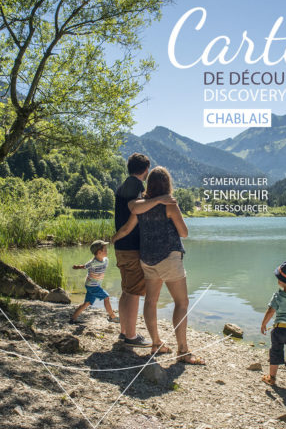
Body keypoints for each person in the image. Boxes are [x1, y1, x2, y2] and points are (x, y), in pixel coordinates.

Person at [112, 166, 204, 364]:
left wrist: (114, 238)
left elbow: (128, 226)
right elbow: (184, 232)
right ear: (167, 184)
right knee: (181, 303)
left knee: (151, 301)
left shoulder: (141, 206)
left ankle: (156, 343)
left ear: (149, 184)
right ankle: (183, 350)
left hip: (147, 259)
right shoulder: (170, 205)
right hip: (169, 258)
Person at [114, 153, 176, 347]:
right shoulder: (136, 186)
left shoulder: (123, 186)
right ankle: (131, 336)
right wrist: (160, 200)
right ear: (146, 169)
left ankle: (124, 331)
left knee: (126, 290)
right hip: (132, 247)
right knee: (133, 292)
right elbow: (136, 209)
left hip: (121, 246)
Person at [69, 240, 119, 324]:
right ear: (99, 252)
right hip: (92, 285)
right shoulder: (93, 262)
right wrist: (77, 267)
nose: (107, 251)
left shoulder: (106, 260)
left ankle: (73, 319)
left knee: (87, 303)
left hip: (94, 285)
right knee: (106, 297)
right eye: (105, 250)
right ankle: (112, 317)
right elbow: (84, 266)